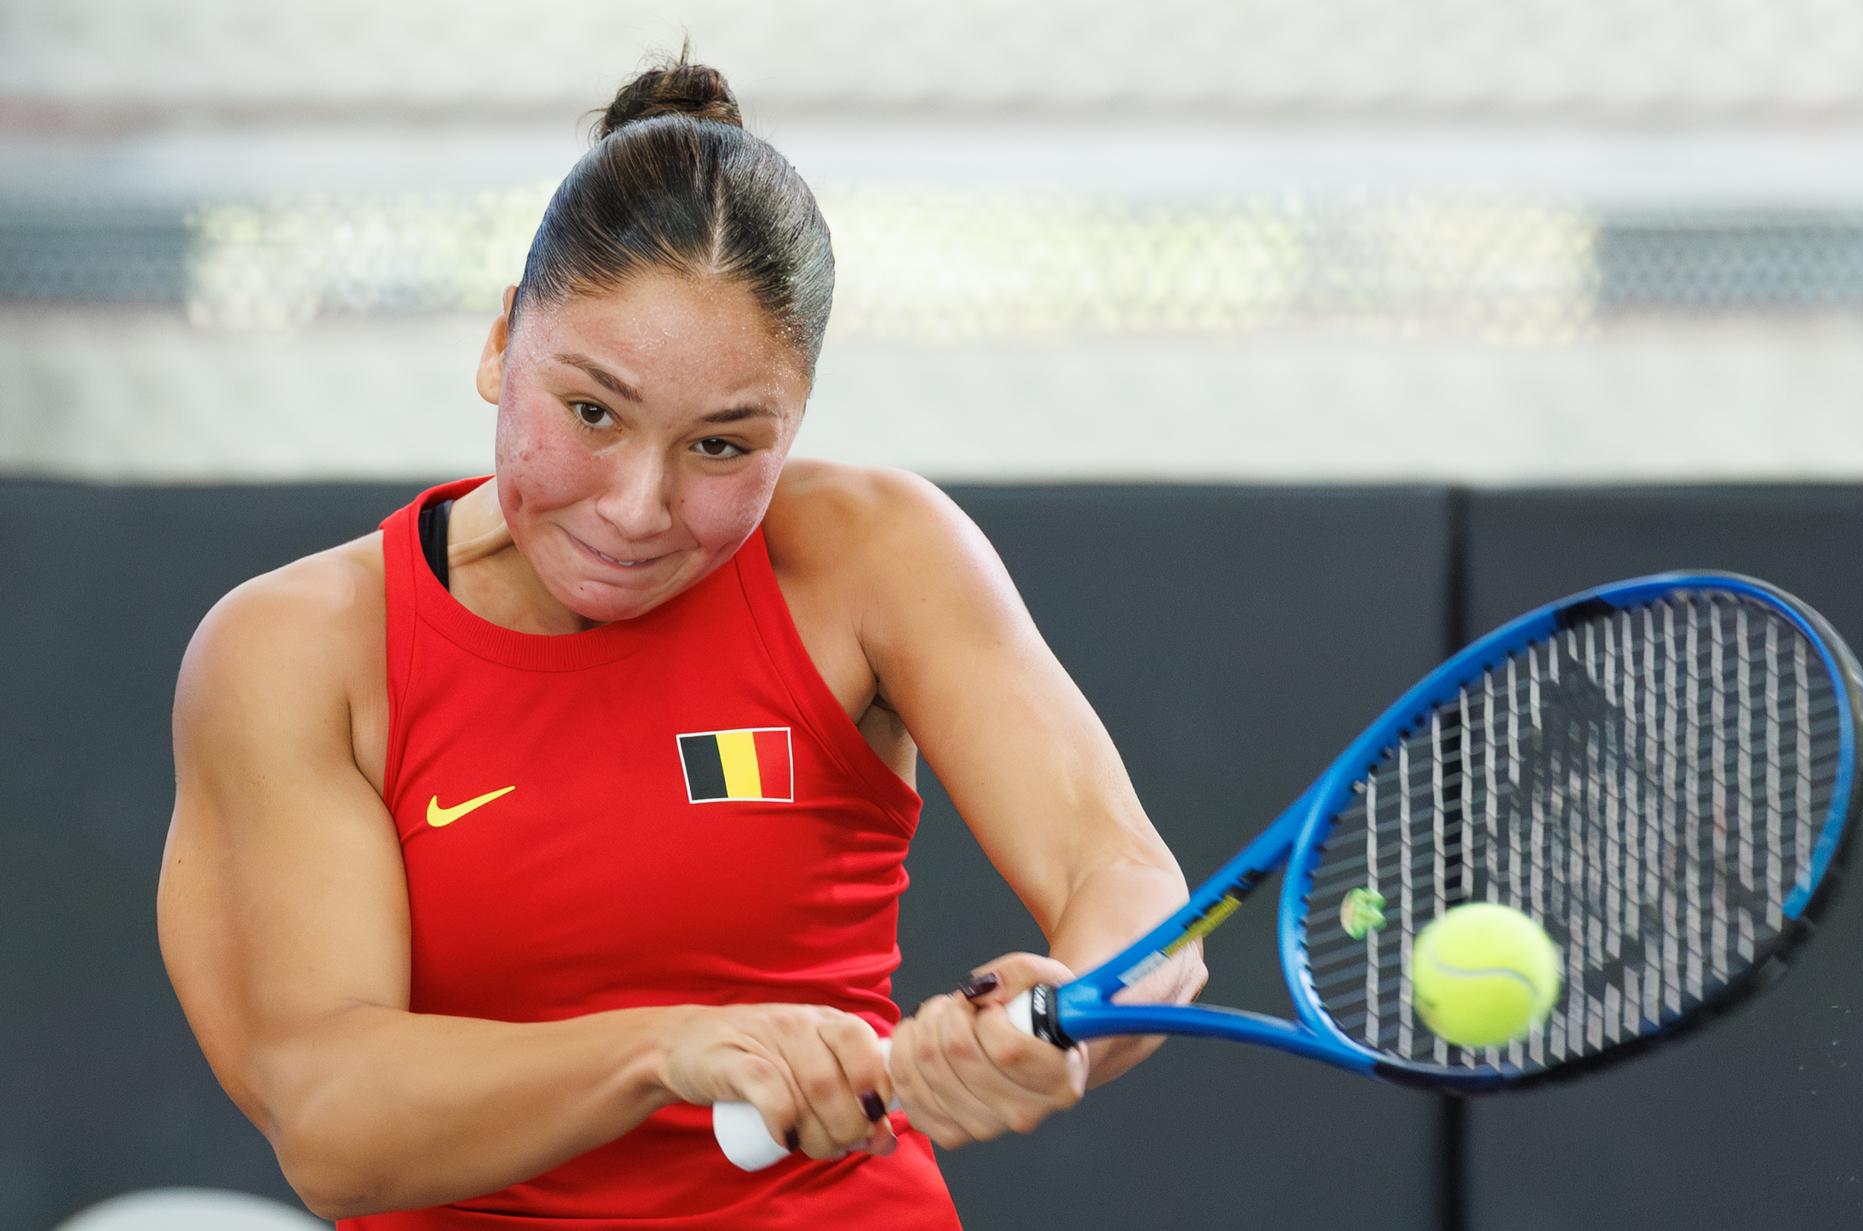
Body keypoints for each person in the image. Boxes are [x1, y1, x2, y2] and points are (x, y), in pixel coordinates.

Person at [157, 53, 1205, 1229]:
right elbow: (332, 1119)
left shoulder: (879, 553)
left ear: (796, 421)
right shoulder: (294, 649)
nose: (636, 507)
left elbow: (1126, 885)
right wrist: (677, 1049)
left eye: (721, 446)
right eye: (592, 412)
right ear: (503, 342)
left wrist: (1075, 1012)